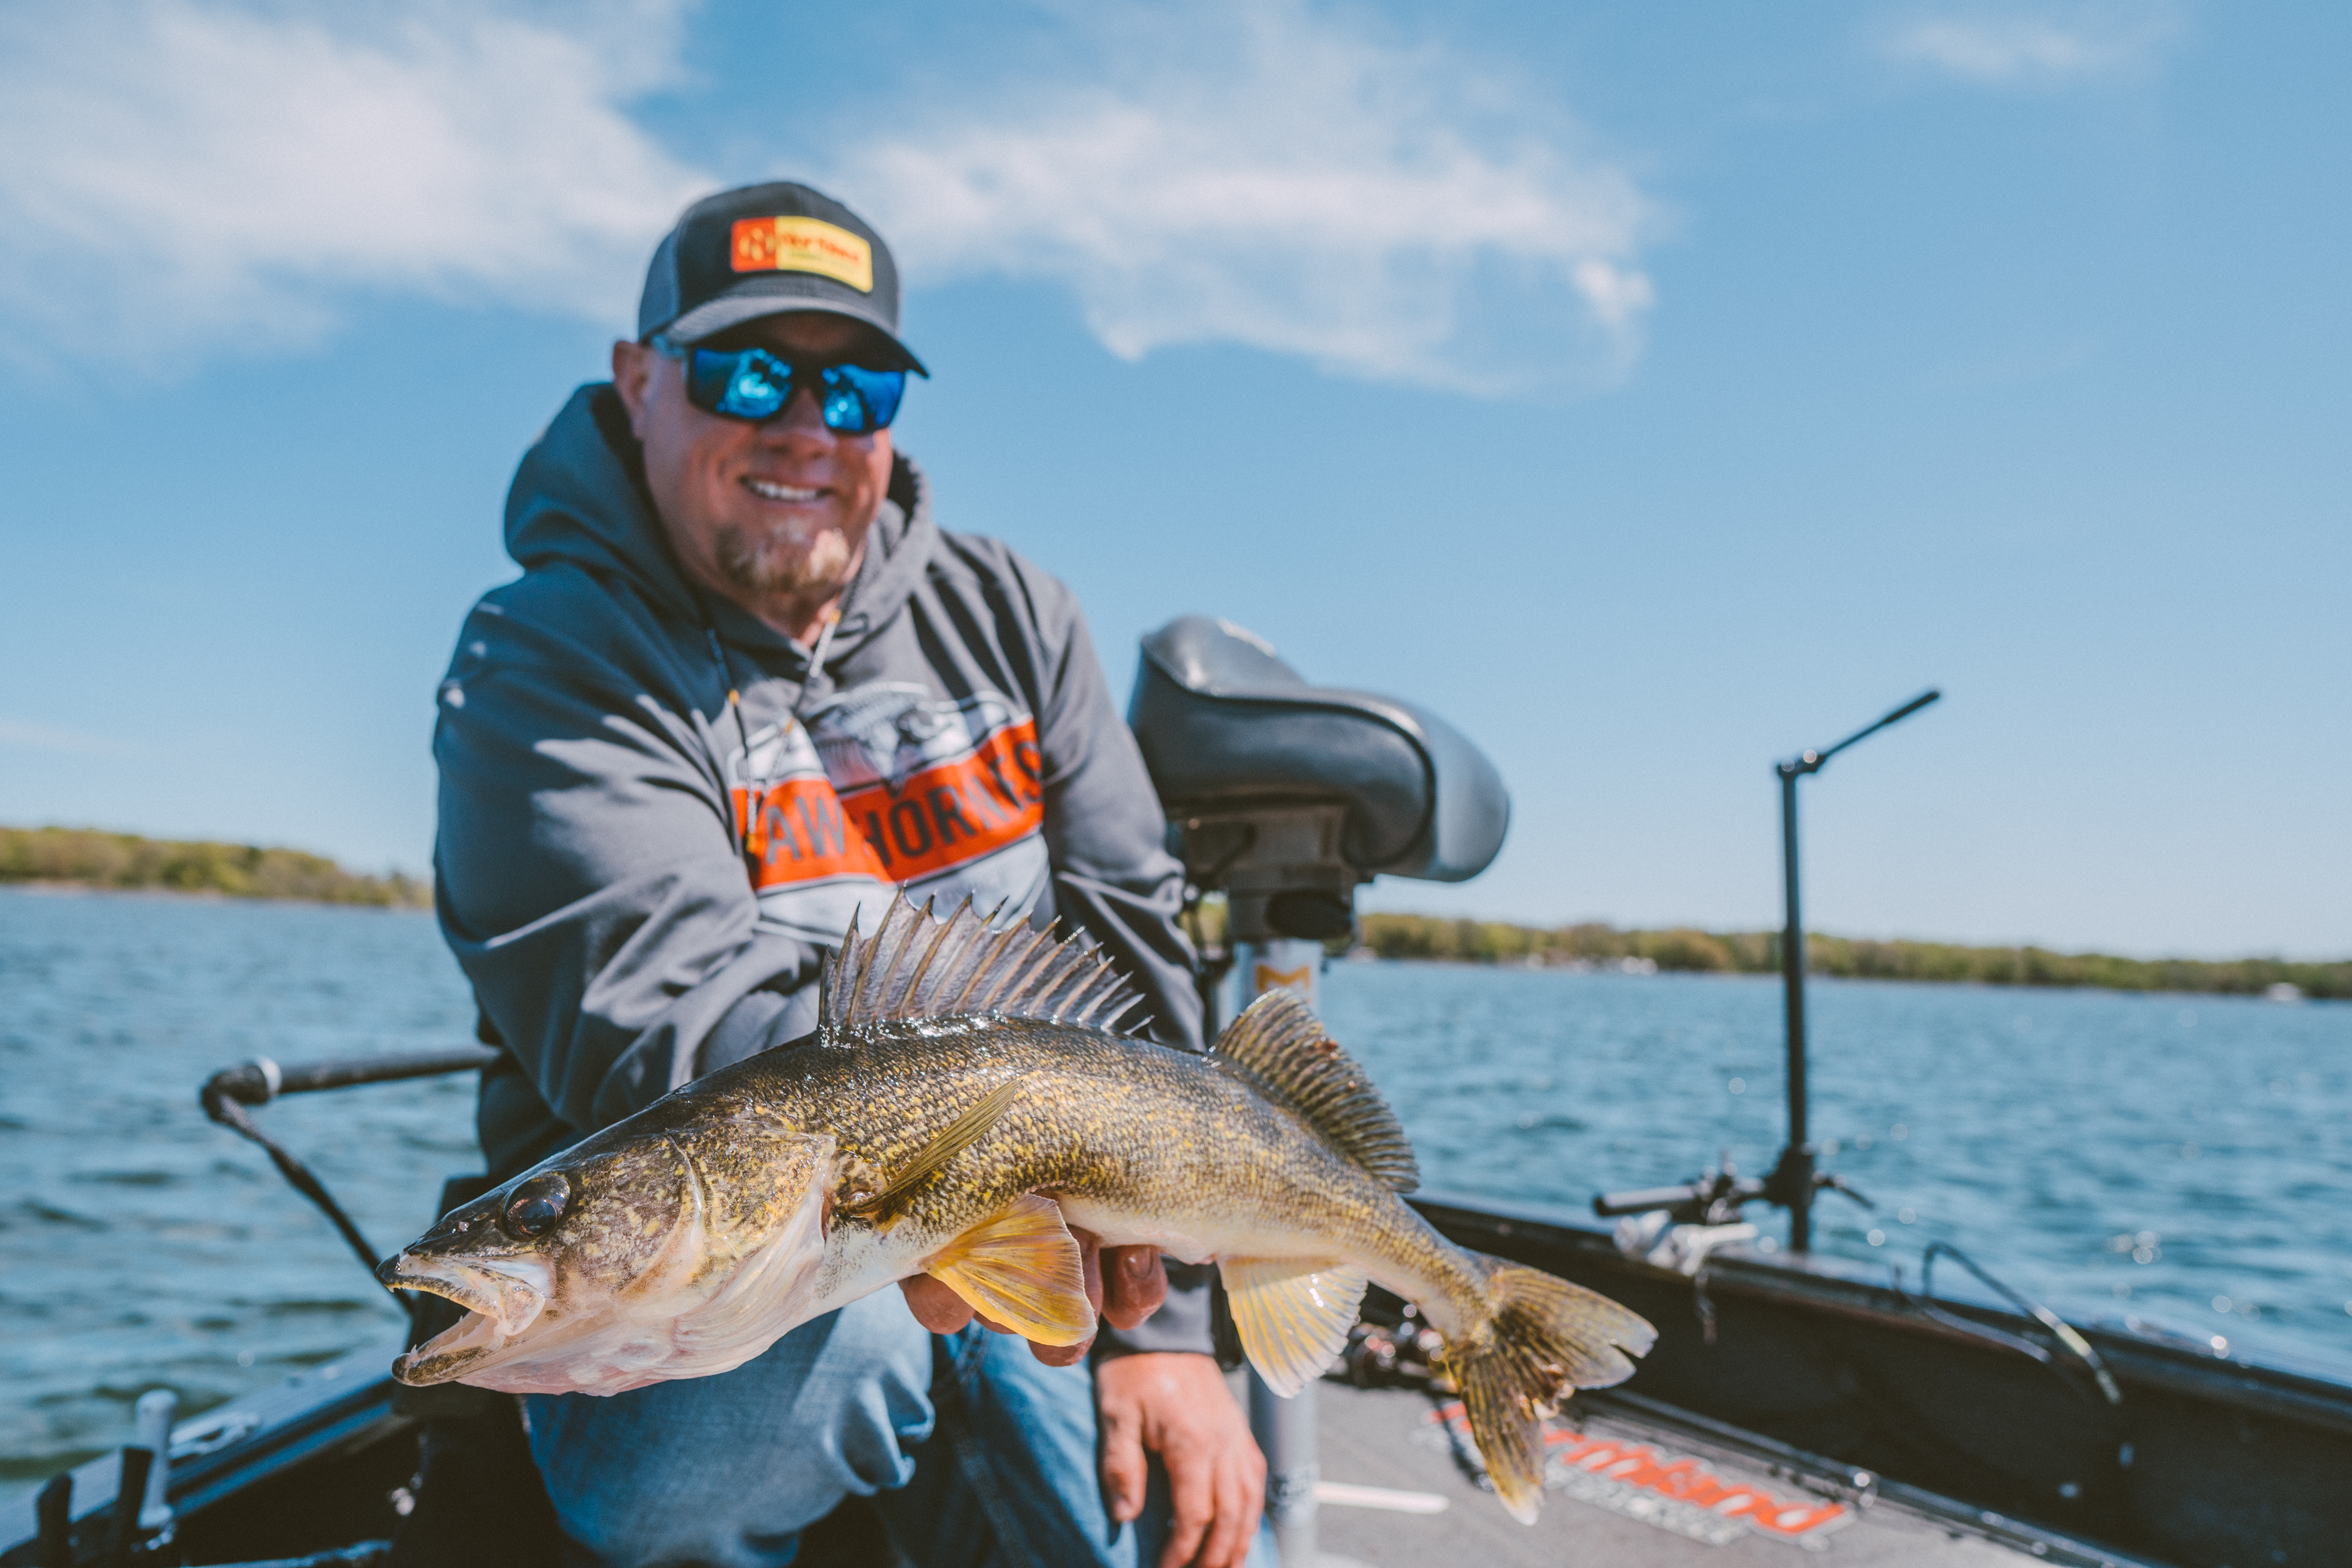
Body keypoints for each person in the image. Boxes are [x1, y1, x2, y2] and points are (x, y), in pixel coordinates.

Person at [431, 182, 1270, 1567]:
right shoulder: (546, 661)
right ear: (641, 383)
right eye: (748, 371)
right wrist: (962, 1208)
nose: (807, 428)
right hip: (692, 1305)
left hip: (1024, 1226)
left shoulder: (1016, 613)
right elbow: (686, 1049)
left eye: (860, 384)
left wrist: (1165, 1328)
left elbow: (1136, 958)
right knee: (851, 1334)